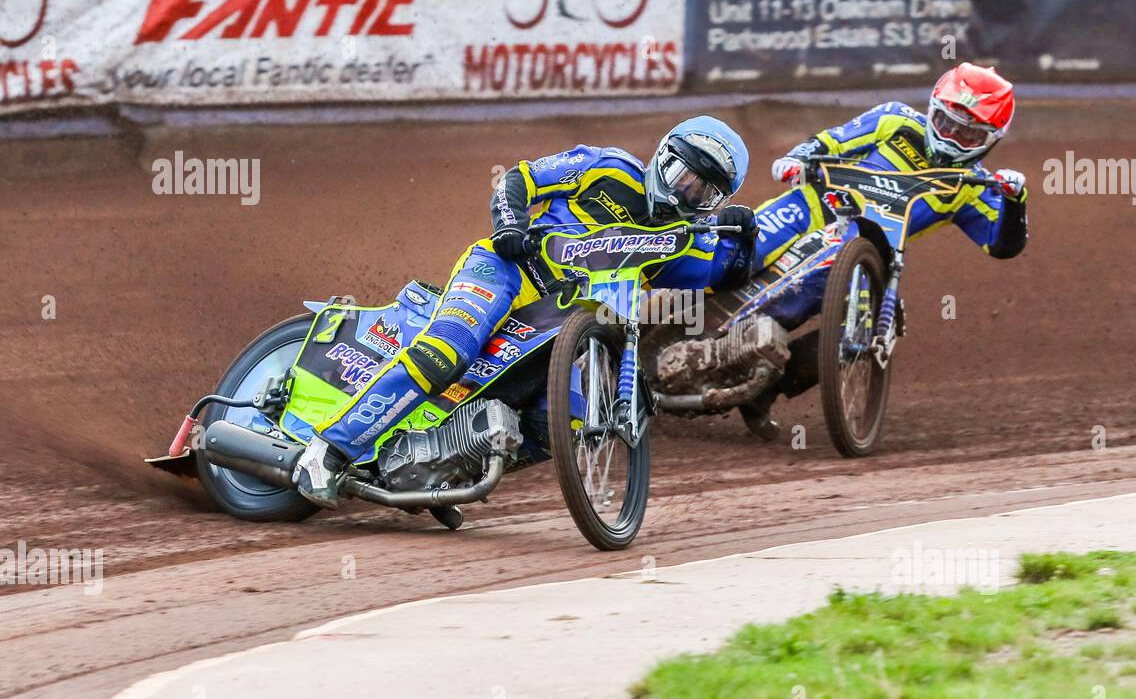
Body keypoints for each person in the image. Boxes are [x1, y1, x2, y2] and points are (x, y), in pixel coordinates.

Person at [293, 116, 757, 508]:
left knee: (563, 418)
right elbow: (520, 178)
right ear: (662, 157)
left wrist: (744, 237)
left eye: (704, 192)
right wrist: (510, 224)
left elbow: (723, 275)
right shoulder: (607, 166)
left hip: (558, 322)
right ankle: (327, 451)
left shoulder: (684, 240)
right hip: (507, 271)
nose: (686, 193)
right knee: (446, 353)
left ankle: (436, 472)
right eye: (682, 175)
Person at [759, 62, 1029, 272]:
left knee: (867, 284)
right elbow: (833, 141)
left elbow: (1002, 246)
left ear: (992, 139)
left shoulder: (972, 185)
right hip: (811, 208)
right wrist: (797, 159)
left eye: (968, 134)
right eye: (946, 123)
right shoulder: (896, 119)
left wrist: (1014, 199)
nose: (951, 137)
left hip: (867, 251)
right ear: (933, 107)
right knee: (736, 250)